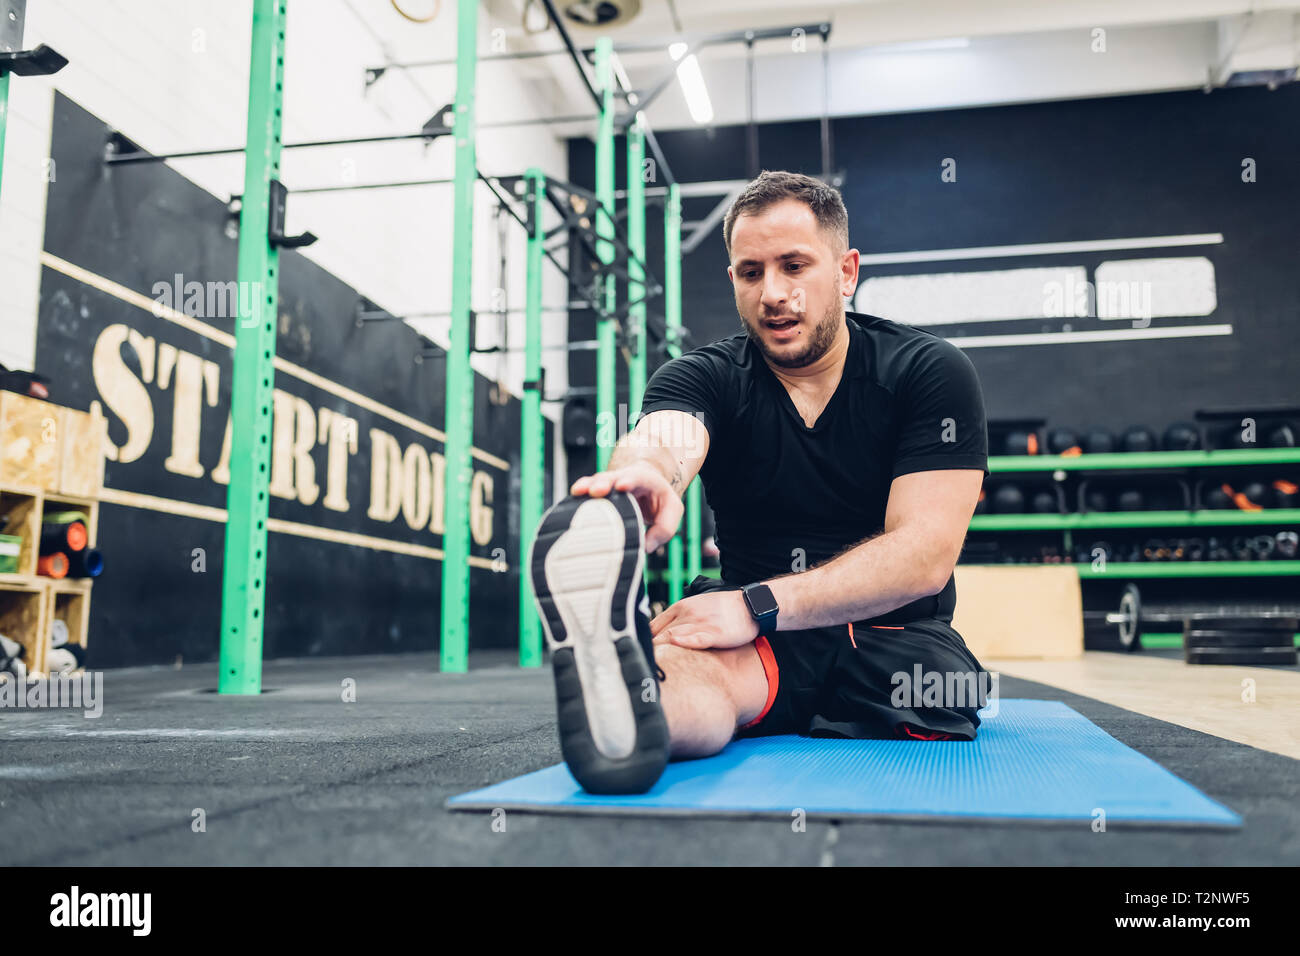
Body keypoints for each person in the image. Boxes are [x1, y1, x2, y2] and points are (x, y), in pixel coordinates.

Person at [528, 170, 990, 794]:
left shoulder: (929, 372)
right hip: (753, 637)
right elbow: (666, 435)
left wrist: (757, 605)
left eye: (794, 266)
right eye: (751, 273)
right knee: (691, 675)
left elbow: (925, 556)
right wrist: (641, 477)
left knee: (937, 688)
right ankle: (630, 720)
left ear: (847, 271)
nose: (773, 293)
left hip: (893, 637)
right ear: (734, 282)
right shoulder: (704, 376)